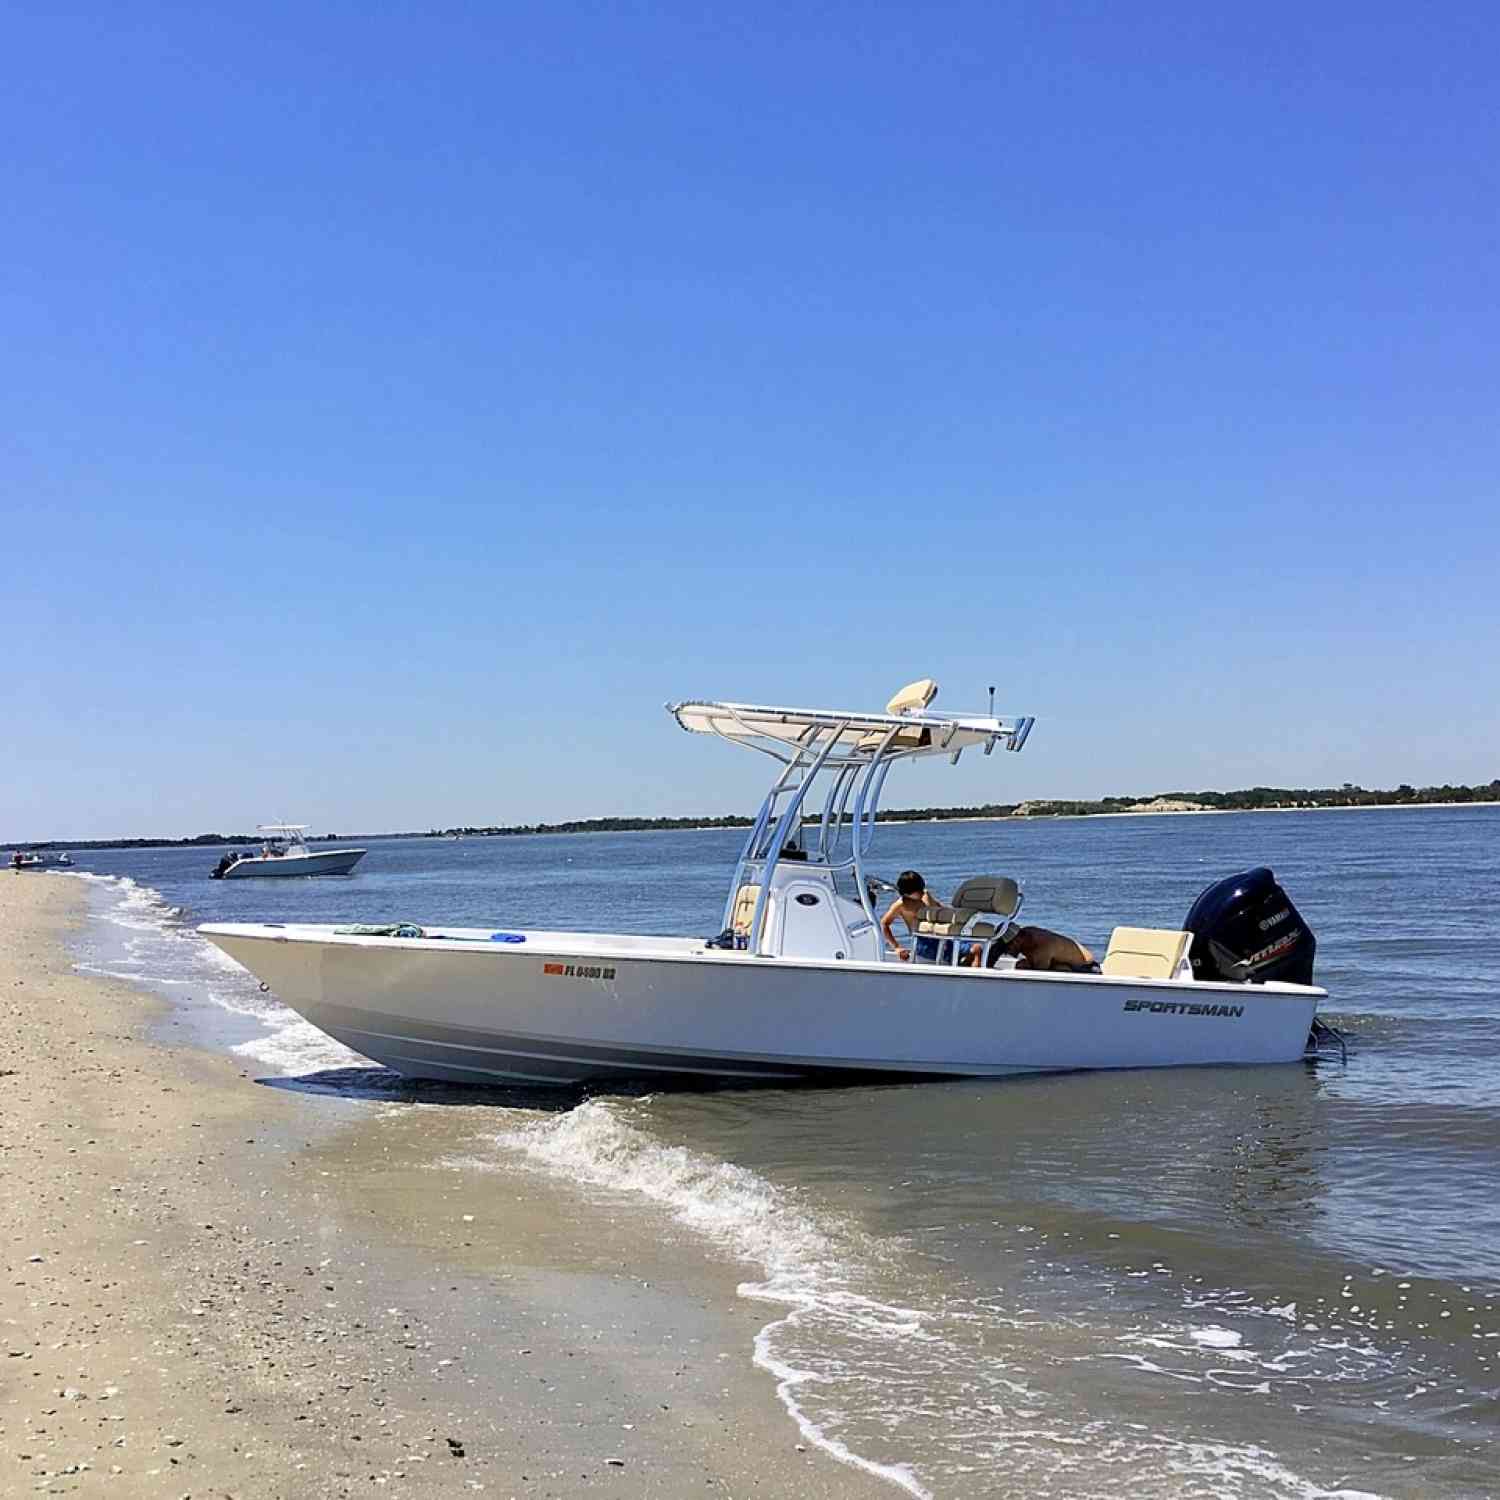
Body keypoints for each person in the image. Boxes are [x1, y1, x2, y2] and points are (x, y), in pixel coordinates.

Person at [880, 870, 941, 961]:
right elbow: (884, 924)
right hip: (924, 943)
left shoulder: (925, 896)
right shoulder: (901, 905)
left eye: (922, 889)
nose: (921, 892)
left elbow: (942, 912)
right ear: (906, 893)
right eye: (918, 891)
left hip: (941, 938)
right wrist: (897, 947)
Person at [985, 925, 1097, 972]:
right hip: (1062, 959)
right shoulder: (1026, 933)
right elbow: (995, 951)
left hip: (1085, 966)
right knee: (1021, 964)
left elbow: (1040, 972)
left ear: (1017, 940)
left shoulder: (1040, 946)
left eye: (1008, 947)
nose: (1008, 952)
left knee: (1060, 969)